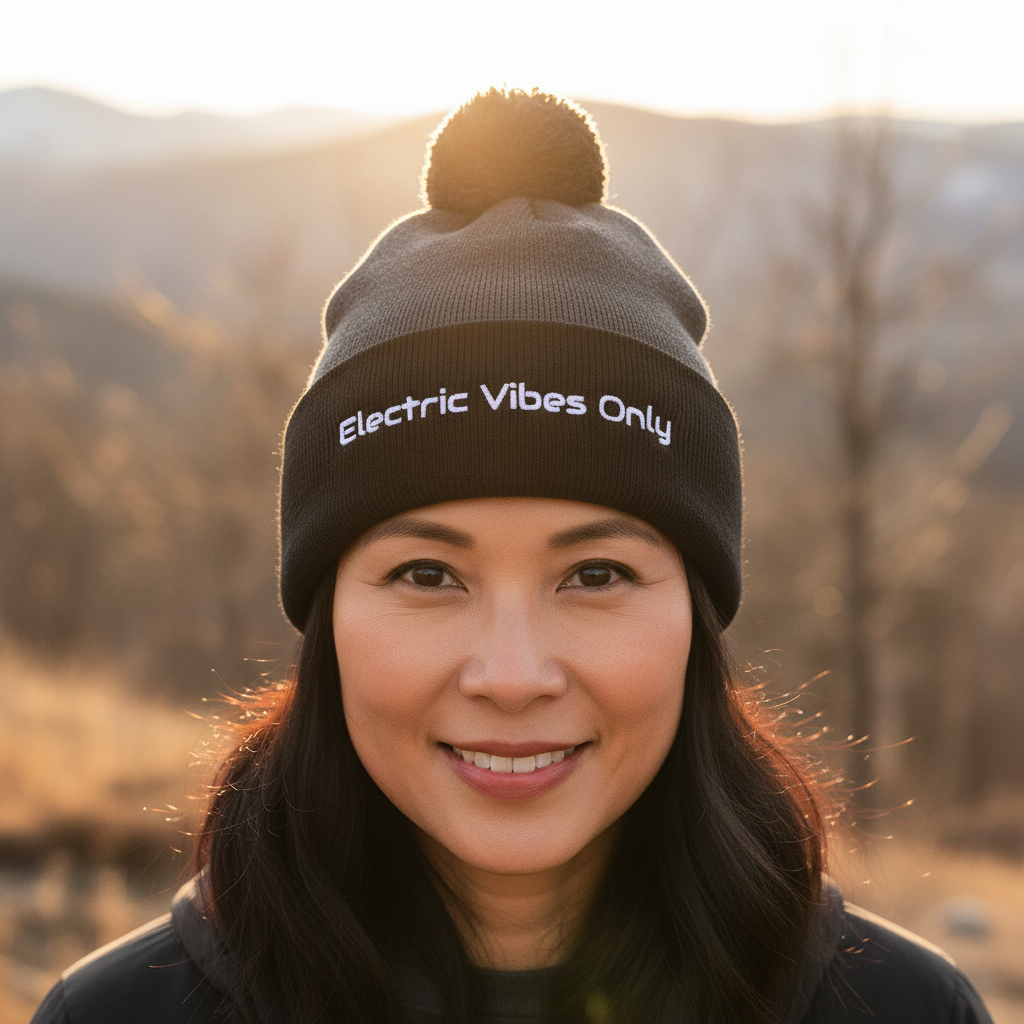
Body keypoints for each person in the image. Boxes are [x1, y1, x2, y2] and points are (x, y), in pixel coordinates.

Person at [32, 88, 993, 1024]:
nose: (512, 675)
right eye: (427, 575)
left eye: (596, 575)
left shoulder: (904, 1010)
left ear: (696, 615)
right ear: (327, 615)